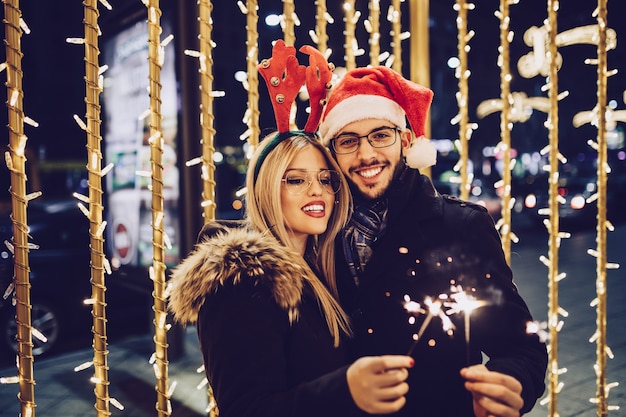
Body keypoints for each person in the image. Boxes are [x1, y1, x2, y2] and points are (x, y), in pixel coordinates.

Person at [167, 41, 414, 417]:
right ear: (267, 188)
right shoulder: (243, 280)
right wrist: (344, 389)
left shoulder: (322, 265)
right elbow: (247, 408)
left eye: (326, 178)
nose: (317, 190)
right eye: (295, 180)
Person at [318, 66, 548, 417]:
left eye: (380, 135)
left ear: (406, 141)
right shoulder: (316, 232)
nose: (365, 155)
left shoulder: (461, 226)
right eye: (348, 141)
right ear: (332, 152)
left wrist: (511, 380)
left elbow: (521, 347)